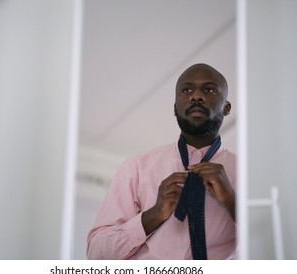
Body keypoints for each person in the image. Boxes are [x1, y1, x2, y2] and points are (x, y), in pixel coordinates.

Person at [86, 63, 236, 260]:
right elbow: (97, 255)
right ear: (175, 108)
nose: (196, 96)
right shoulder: (136, 169)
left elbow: (276, 250)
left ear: (227, 107)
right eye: (187, 89)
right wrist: (153, 215)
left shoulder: (248, 174)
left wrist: (233, 202)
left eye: (209, 89)